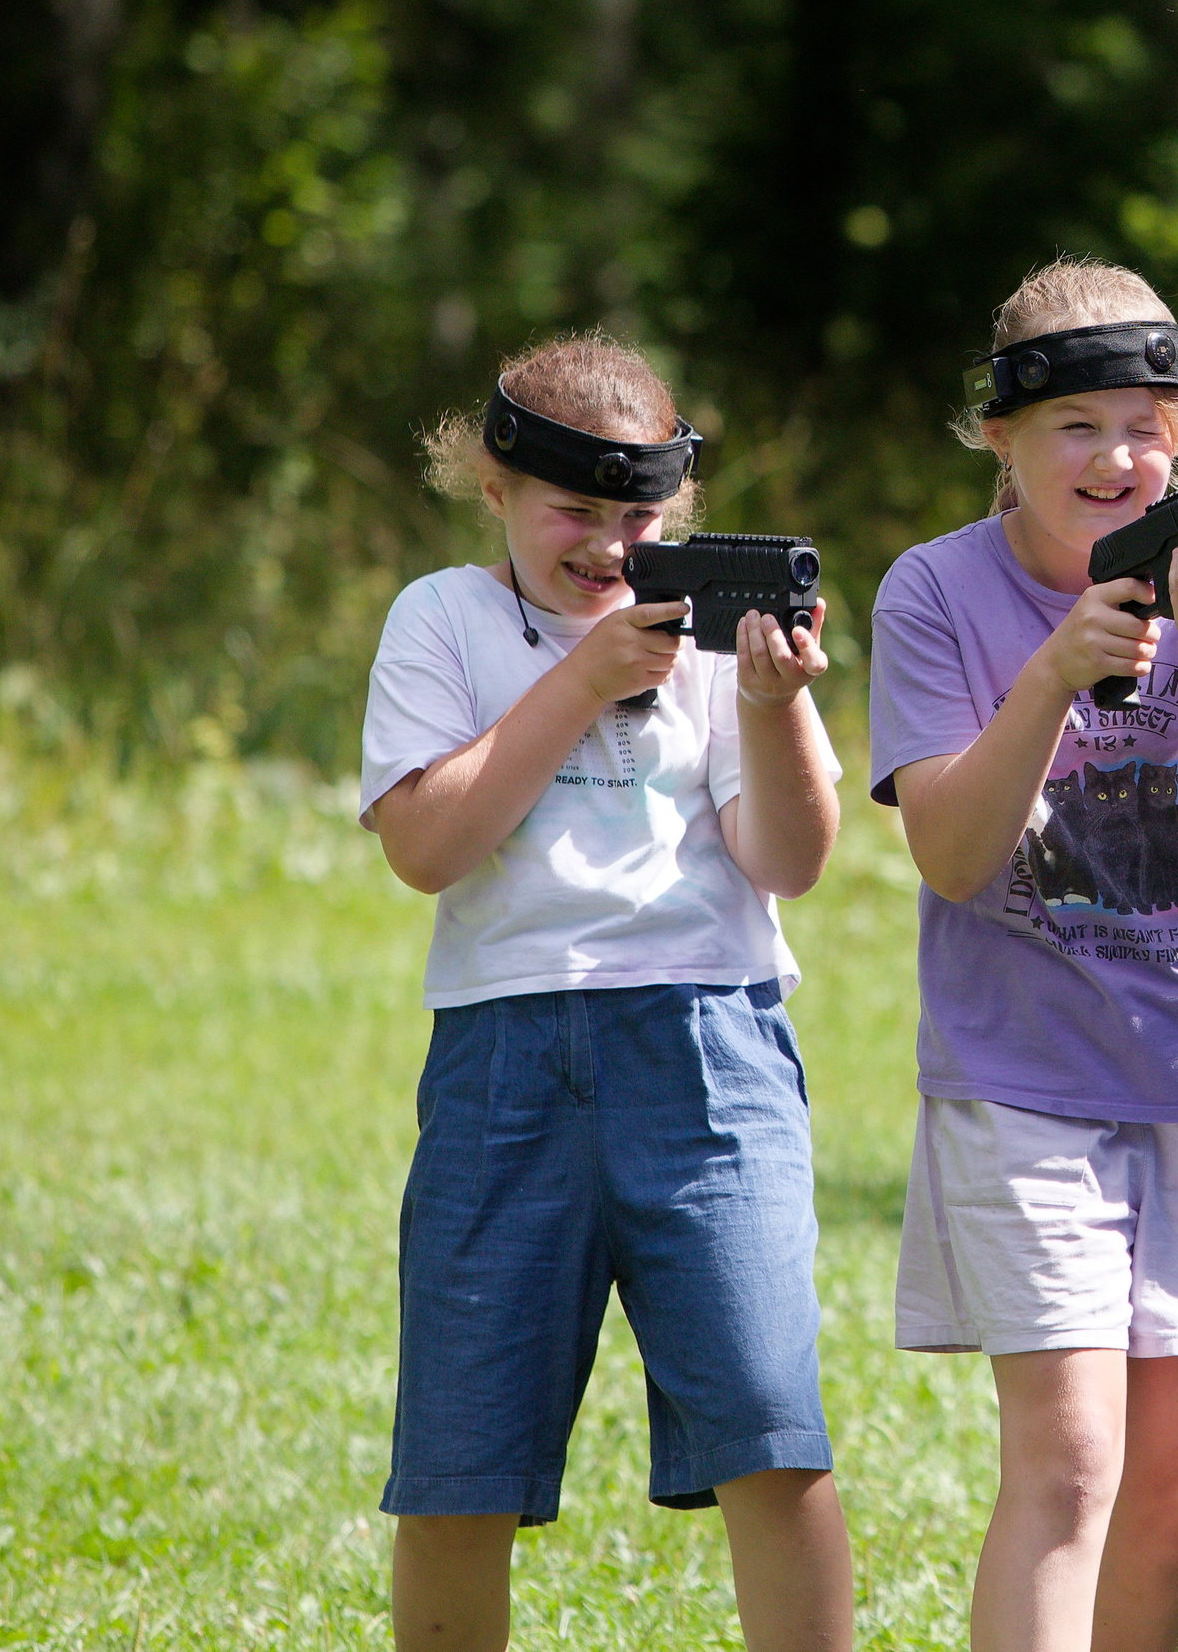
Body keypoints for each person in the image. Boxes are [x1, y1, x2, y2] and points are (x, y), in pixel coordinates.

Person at [358, 331, 854, 1652]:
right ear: (495, 488)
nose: (610, 545)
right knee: (459, 1460)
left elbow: (791, 861)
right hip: (504, 1058)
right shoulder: (442, 619)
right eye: (573, 510)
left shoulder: (715, 634)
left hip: (711, 1046)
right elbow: (426, 846)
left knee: (773, 1430)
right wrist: (581, 678)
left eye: (641, 517)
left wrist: (773, 704)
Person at [869, 256, 1178, 1652]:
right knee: (1070, 1467)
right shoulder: (936, 590)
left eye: (1146, 426)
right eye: (1076, 425)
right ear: (998, 437)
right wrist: (1055, 672)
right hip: (1024, 1081)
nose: (1116, 458)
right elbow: (953, 854)